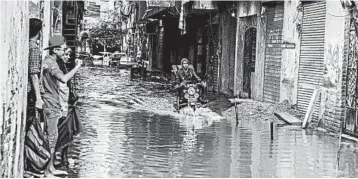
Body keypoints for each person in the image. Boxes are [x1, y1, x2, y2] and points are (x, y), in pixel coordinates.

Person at [41, 35, 82, 177]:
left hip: (52, 102)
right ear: (56, 49)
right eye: (63, 49)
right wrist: (77, 67)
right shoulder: (51, 63)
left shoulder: (50, 61)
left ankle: (51, 168)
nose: (65, 52)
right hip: (50, 103)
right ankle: (47, 171)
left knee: (54, 136)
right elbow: (64, 79)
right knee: (52, 138)